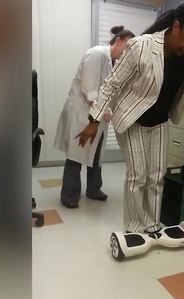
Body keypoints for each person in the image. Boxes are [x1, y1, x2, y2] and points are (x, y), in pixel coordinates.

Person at [76, 2, 184, 234]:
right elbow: (112, 85)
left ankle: (151, 226)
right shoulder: (141, 47)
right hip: (133, 119)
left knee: (156, 176)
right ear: (175, 27)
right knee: (138, 176)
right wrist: (94, 122)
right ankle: (134, 228)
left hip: (160, 119)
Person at [54, 26, 135, 208]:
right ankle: (69, 195)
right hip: (82, 113)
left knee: (96, 154)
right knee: (77, 154)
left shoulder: (113, 62)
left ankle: (93, 189)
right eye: (127, 47)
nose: (127, 52)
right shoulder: (96, 54)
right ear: (118, 40)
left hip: (96, 114)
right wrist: (101, 110)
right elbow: (89, 89)